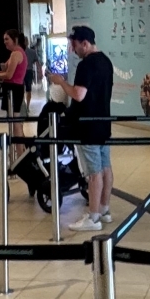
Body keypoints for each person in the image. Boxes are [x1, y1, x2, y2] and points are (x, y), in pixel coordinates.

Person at [51, 24, 113, 230]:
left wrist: (61, 82)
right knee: (105, 167)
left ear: (85, 44)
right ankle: (104, 210)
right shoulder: (106, 61)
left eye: (75, 45)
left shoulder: (86, 65)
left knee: (94, 172)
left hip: (88, 125)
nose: (73, 49)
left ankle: (93, 217)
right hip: (103, 122)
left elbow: (78, 95)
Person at [0, 28, 30, 132]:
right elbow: (7, 70)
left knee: (15, 121)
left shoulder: (16, 53)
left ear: (15, 39)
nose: (4, 42)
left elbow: (9, 75)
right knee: (14, 120)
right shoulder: (16, 53)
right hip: (15, 88)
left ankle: (18, 142)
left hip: (13, 89)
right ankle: (17, 141)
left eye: (7, 39)